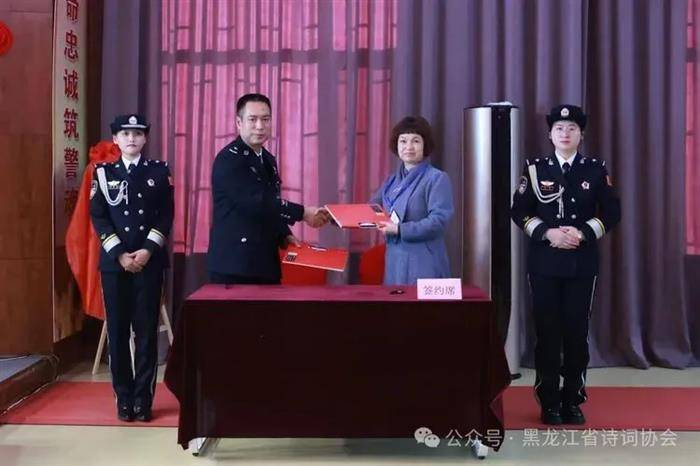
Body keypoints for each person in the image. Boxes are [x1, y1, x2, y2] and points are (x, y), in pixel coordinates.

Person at [511, 105, 621, 425]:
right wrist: (548, 233)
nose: (565, 133)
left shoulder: (595, 169)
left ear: (581, 135)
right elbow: (519, 211)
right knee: (547, 333)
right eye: (559, 128)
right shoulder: (535, 168)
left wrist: (583, 233)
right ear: (550, 135)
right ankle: (548, 402)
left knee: (576, 333)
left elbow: (612, 212)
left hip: (581, 264)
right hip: (544, 263)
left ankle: (573, 399)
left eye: (572, 128)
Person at [90, 114, 174, 422]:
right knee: (117, 330)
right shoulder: (103, 173)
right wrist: (120, 254)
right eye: (125, 134)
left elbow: (166, 215)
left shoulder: (159, 171)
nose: (131, 138)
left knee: (146, 331)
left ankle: (143, 400)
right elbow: (99, 217)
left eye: (137, 134)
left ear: (145, 138)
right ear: (115, 139)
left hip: (149, 263)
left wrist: (148, 250)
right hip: (115, 265)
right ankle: (123, 399)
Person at [207, 93, 329, 284]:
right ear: (239, 123)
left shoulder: (267, 159)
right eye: (252, 119)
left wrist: (284, 234)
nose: (260, 126)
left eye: (265, 119)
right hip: (235, 265)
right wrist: (303, 212)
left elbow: (271, 203)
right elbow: (258, 203)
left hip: (264, 262)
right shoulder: (229, 160)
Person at [369, 116, 454, 285]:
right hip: (395, 263)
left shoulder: (436, 178)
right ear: (396, 145)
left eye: (415, 141)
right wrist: (334, 217)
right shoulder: (391, 181)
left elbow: (439, 221)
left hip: (425, 262)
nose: (408, 147)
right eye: (403, 141)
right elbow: (369, 209)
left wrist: (400, 229)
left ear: (425, 145)